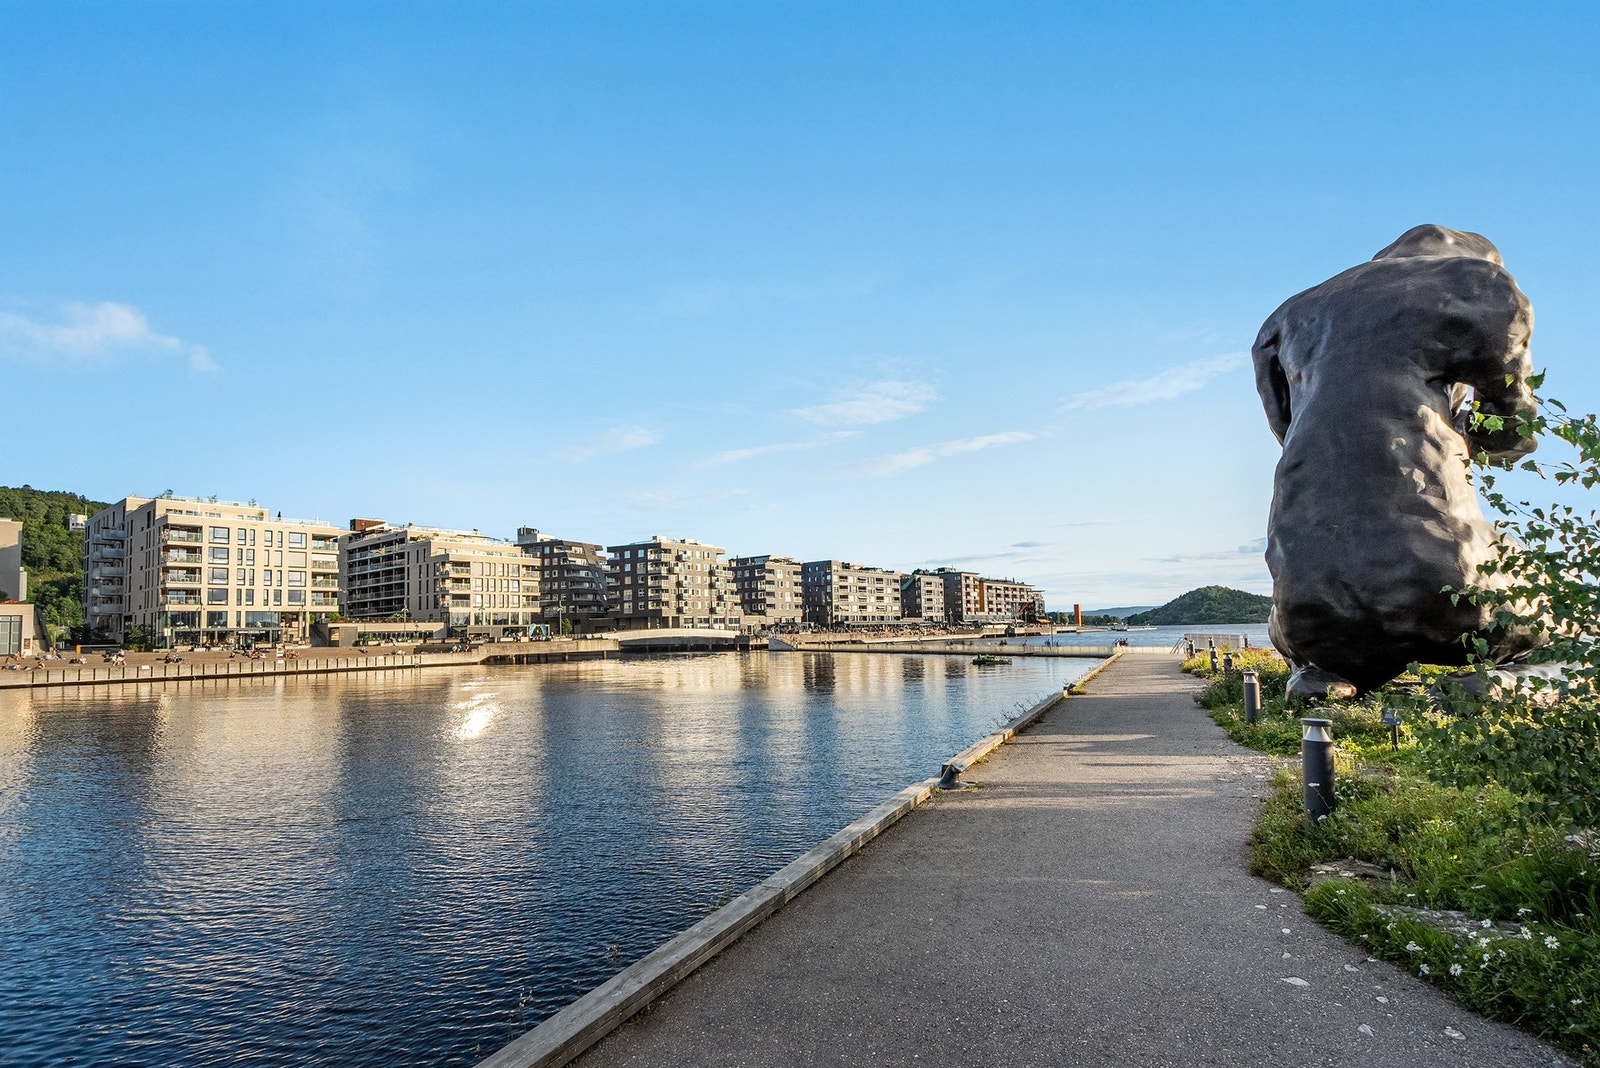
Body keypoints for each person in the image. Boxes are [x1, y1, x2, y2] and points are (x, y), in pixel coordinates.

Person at [1255, 224, 1542, 698]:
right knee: (1559, 606)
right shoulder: (1480, 284)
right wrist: (1464, 429)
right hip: (1444, 581)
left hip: (1309, 601)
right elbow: (1512, 432)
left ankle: (1324, 675)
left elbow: (1289, 433)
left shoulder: (1285, 318)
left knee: (1318, 628)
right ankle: (1511, 682)